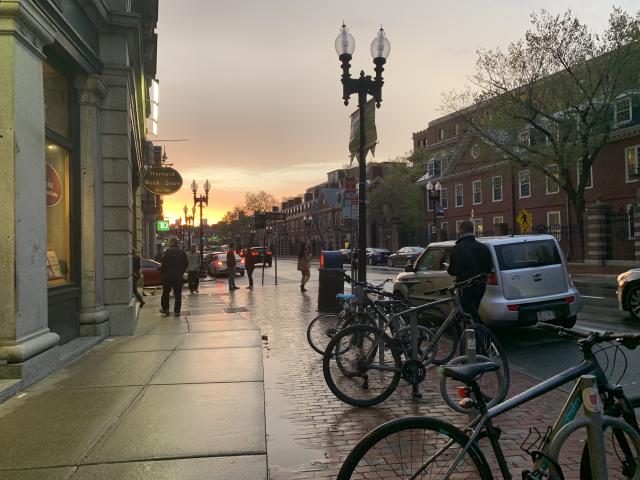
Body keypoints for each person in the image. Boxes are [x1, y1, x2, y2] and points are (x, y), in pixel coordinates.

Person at [447, 220, 492, 323]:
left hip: (465, 287)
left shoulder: (457, 249)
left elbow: (452, 271)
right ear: (472, 230)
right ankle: (472, 336)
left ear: (461, 231)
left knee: (469, 314)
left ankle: (480, 334)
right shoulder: (484, 248)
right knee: (471, 311)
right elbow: (489, 269)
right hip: (481, 286)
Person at [159, 237, 189, 317]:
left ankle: (165, 309)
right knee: (178, 294)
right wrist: (181, 271)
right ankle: (177, 311)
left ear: (171, 243)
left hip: (167, 276)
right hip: (178, 276)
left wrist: (162, 272)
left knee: (166, 293)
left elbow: (163, 264)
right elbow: (186, 263)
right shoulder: (182, 252)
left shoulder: (167, 252)